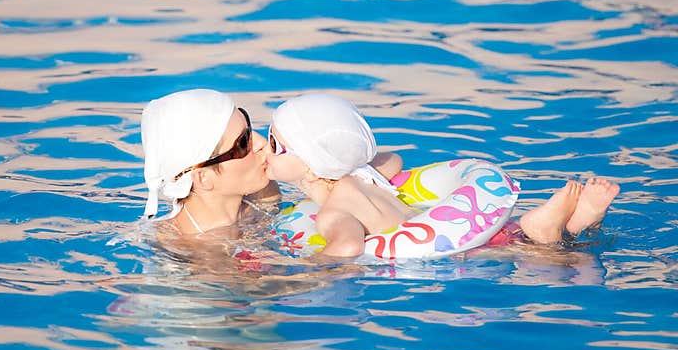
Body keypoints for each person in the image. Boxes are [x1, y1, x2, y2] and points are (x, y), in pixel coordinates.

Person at [265, 92, 620, 258]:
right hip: (485, 229)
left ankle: (548, 228)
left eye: (274, 142)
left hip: (473, 251)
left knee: (539, 250)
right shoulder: (363, 175)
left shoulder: (334, 213)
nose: (264, 148)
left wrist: (302, 272)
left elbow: (348, 245)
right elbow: (395, 162)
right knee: (551, 241)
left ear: (310, 165)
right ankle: (575, 219)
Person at [141, 88, 276, 237]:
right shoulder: (190, 248)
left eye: (249, 129)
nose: (262, 142)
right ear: (203, 178)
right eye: (243, 143)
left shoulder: (261, 194)